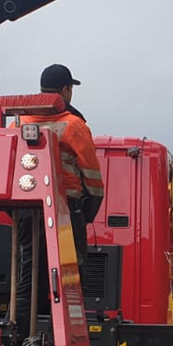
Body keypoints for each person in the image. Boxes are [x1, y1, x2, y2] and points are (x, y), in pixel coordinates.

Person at [18, 63, 104, 264]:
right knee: (71, 270)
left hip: (27, 210)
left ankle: (25, 297)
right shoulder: (74, 125)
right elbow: (92, 177)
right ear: (65, 90)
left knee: (29, 269)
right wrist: (86, 213)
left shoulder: (20, 122)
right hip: (65, 211)